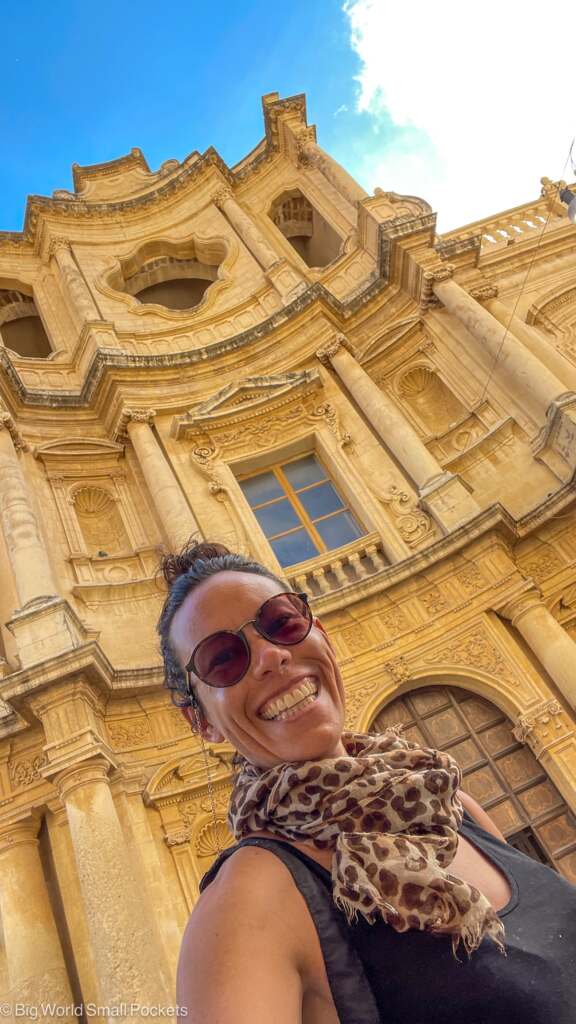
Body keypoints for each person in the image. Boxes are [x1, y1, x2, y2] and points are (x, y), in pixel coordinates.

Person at [157, 541, 576, 1024]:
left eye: (282, 622)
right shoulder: (247, 903)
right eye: (223, 658)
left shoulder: (448, 804)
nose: (271, 656)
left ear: (322, 635)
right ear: (200, 722)